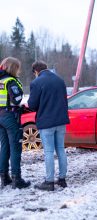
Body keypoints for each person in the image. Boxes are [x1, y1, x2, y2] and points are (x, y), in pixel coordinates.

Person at [28, 60, 70, 191]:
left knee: (49, 152)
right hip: (61, 120)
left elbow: (32, 104)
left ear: (36, 71)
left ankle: (49, 181)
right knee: (61, 150)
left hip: (46, 122)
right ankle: (62, 179)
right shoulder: (60, 80)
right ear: (46, 68)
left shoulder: (36, 82)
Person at [0, 57, 31, 189]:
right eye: (17, 68)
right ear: (13, 68)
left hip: (1, 116)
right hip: (11, 117)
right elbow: (17, 99)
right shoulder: (10, 81)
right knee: (16, 147)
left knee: (4, 147)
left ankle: (4, 177)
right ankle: (17, 178)